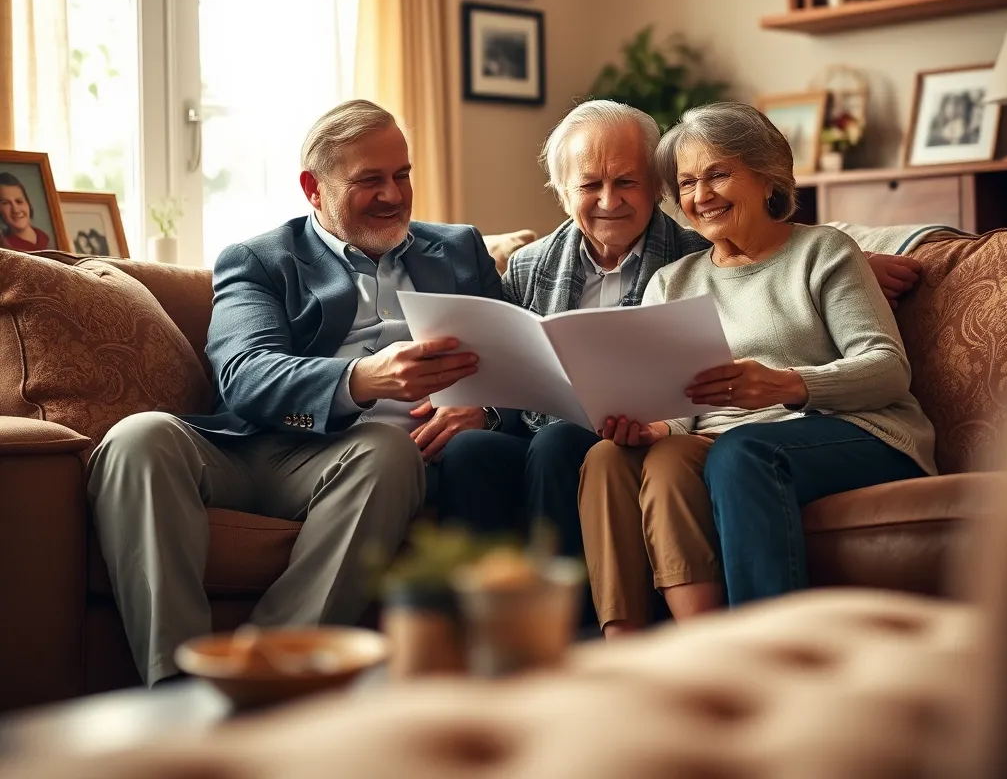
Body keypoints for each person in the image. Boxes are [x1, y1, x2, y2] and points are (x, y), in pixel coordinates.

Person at [87, 100, 508, 686]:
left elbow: (522, 359)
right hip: (250, 447)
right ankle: (176, 688)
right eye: (370, 180)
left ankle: (268, 675)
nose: (393, 194)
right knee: (137, 438)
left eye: (402, 175)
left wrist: (485, 408)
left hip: (370, 460)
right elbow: (244, 371)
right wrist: (361, 379)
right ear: (314, 188)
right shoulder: (261, 259)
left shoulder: (460, 252)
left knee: (387, 453)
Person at [434, 100, 923, 566]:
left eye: (626, 181)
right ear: (563, 193)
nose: (609, 201)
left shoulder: (695, 250)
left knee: (561, 445)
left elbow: (772, 245)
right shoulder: (528, 264)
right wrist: (483, 407)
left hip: (612, 435)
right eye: (589, 185)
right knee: (471, 450)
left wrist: (862, 257)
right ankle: (481, 620)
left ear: (654, 188)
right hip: (554, 423)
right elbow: (509, 359)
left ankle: (573, 618)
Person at [580, 102, 936, 633]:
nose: (701, 195)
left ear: (768, 176)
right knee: (613, 457)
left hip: (855, 432)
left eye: (719, 174)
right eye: (687, 182)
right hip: (724, 441)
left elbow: (888, 369)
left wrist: (787, 384)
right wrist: (656, 425)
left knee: (740, 453)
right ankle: (636, 644)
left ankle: (768, 643)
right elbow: (680, 404)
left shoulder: (825, 253)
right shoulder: (671, 282)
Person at [0, 172, 52, 252]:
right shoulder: (4, 248)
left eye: (19, 201)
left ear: (28, 204)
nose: (15, 210)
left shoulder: (46, 238)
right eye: (6, 203)